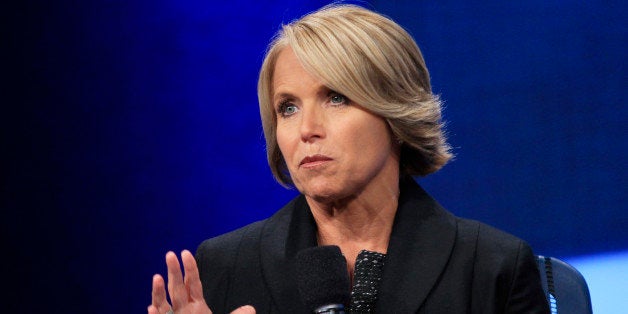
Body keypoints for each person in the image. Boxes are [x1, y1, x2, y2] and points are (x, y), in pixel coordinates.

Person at [148, 4, 550, 314]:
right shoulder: (223, 268)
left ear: (394, 111)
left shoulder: (492, 269)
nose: (307, 128)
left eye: (336, 97)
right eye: (287, 107)